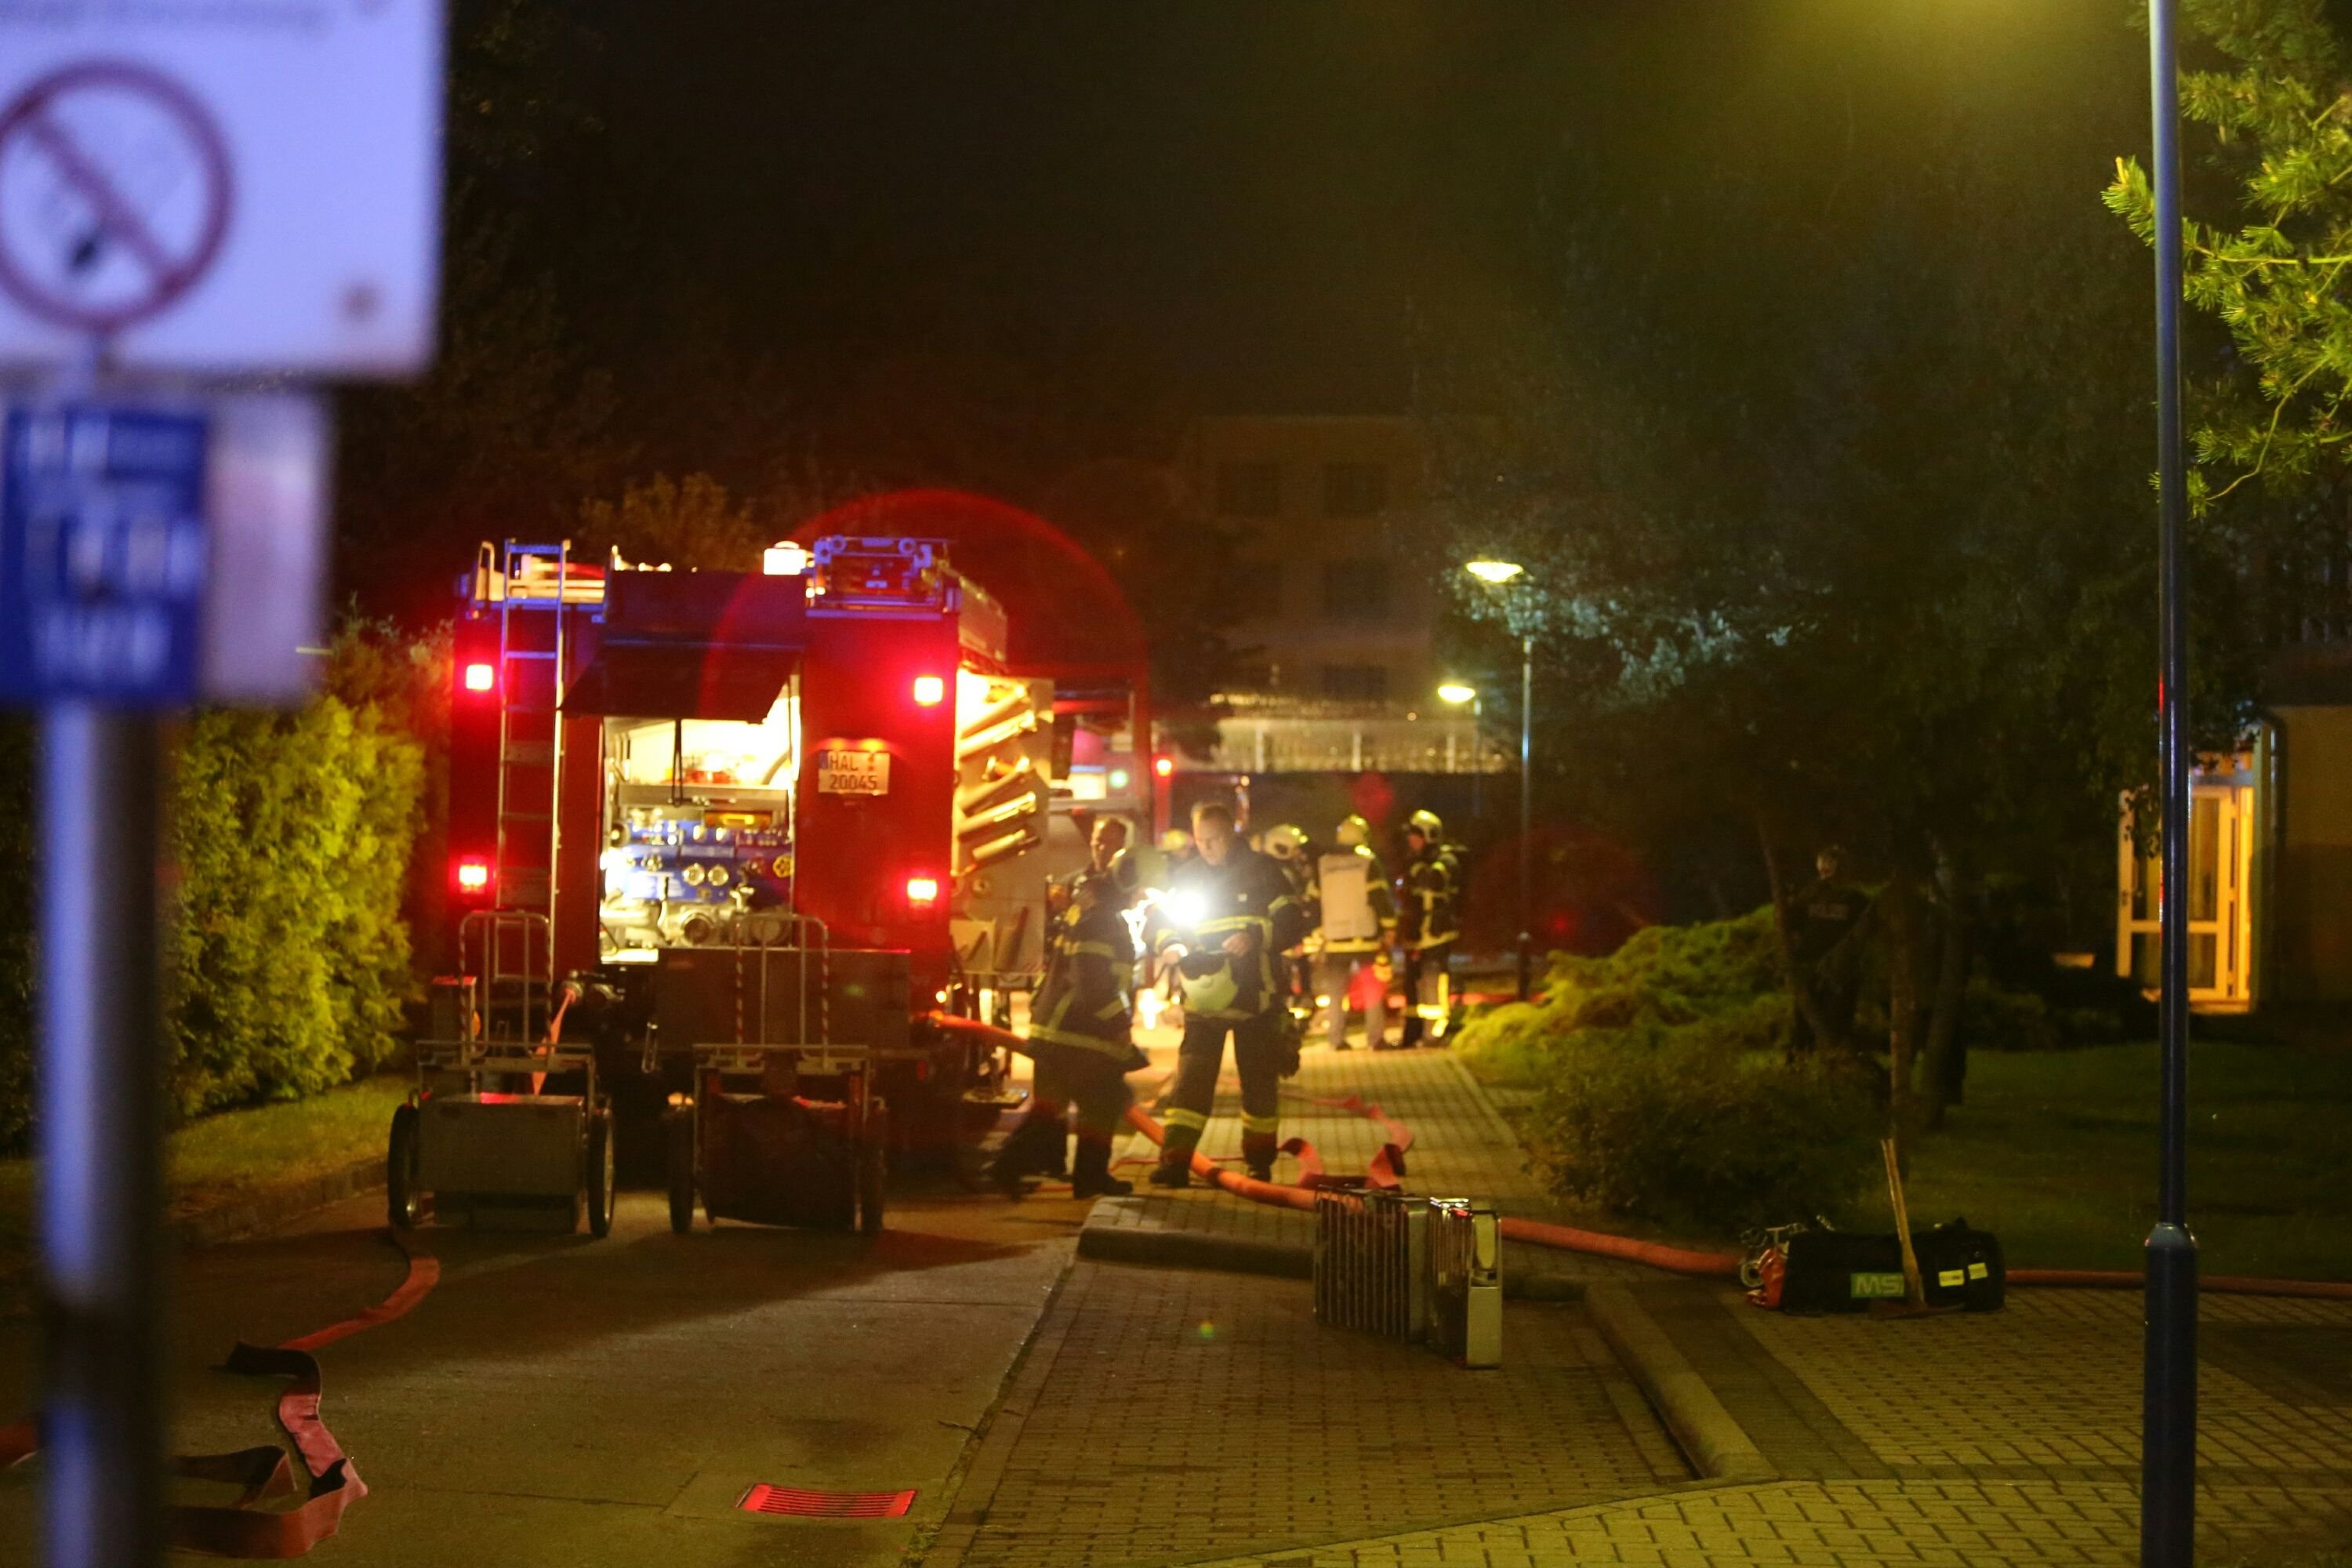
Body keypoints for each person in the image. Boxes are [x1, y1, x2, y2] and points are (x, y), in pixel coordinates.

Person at [1142, 801, 1308, 1185]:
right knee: (1190, 1086)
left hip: (1257, 999)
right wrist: (1169, 946)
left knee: (1259, 1086)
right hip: (1205, 1000)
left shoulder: (1264, 872)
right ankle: (1175, 1162)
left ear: (1231, 834)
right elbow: (1157, 923)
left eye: (1215, 839)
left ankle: (1260, 1164)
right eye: (1201, 841)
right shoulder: (1187, 876)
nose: (1208, 848)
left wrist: (1256, 938)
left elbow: (1293, 924)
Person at [989, 871, 1142, 1199]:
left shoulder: (1089, 918)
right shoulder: (1104, 924)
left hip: (1062, 1033)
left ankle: (1008, 1166)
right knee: (1104, 1101)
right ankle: (1087, 1178)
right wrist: (1118, 1026)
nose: (1143, 896)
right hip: (1080, 1035)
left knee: (1052, 1112)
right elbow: (1095, 984)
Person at [1315, 814, 1395, 1050]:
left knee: (1337, 994)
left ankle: (1336, 1039)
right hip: (1365, 938)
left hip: (1334, 940)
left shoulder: (1324, 864)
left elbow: (1314, 900)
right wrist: (1390, 927)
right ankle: (1375, 1039)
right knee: (1372, 991)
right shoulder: (1367, 862)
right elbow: (1380, 898)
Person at [1789, 845, 1871, 1054]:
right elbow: (1791, 925)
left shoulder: (1857, 901)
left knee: (1837, 1021)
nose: (1828, 868)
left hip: (1841, 972)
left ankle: (1834, 1064)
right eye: (1825, 863)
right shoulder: (1808, 895)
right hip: (1810, 967)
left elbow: (1864, 937)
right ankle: (1802, 1062)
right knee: (1805, 1022)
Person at [1395, 808, 1461, 1048]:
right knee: (1411, 986)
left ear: (1429, 836)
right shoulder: (1413, 862)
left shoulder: (1446, 861)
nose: (1411, 841)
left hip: (1436, 935)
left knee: (1434, 982)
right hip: (1415, 935)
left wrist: (1416, 867)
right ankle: (1411, 1034)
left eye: (1416, 835)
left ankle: (1434, 1034)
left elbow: (1433, 881)